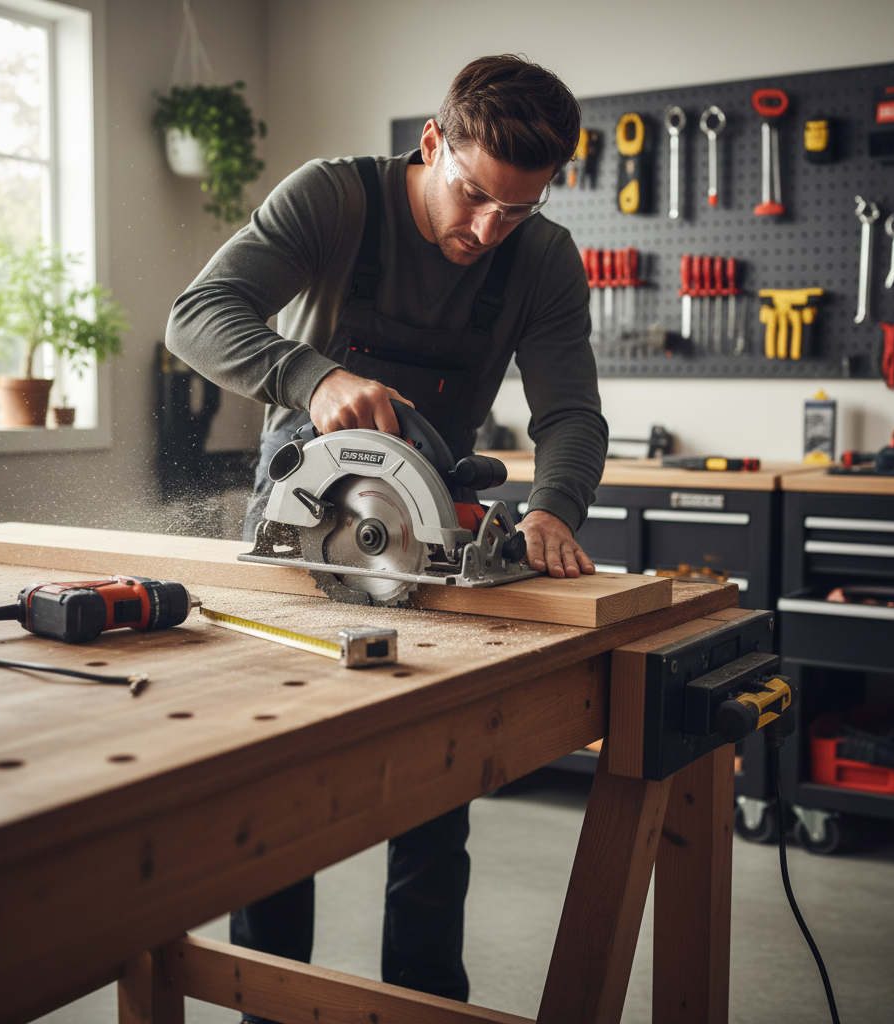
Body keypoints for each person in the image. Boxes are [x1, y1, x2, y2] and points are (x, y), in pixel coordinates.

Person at [166, 54, 608, 1022]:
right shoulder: (334, 199)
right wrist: (309, 376)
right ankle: (267, 1004)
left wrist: (553, 506)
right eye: (473, 196)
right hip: (304, 531)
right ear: (431, 143)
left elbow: (570, 413)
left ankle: (423, 1006)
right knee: (275, 796)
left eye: (516, 211)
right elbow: (194, 317)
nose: (485, 230)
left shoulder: (538, 258)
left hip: (430, 542)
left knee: (434, 795)